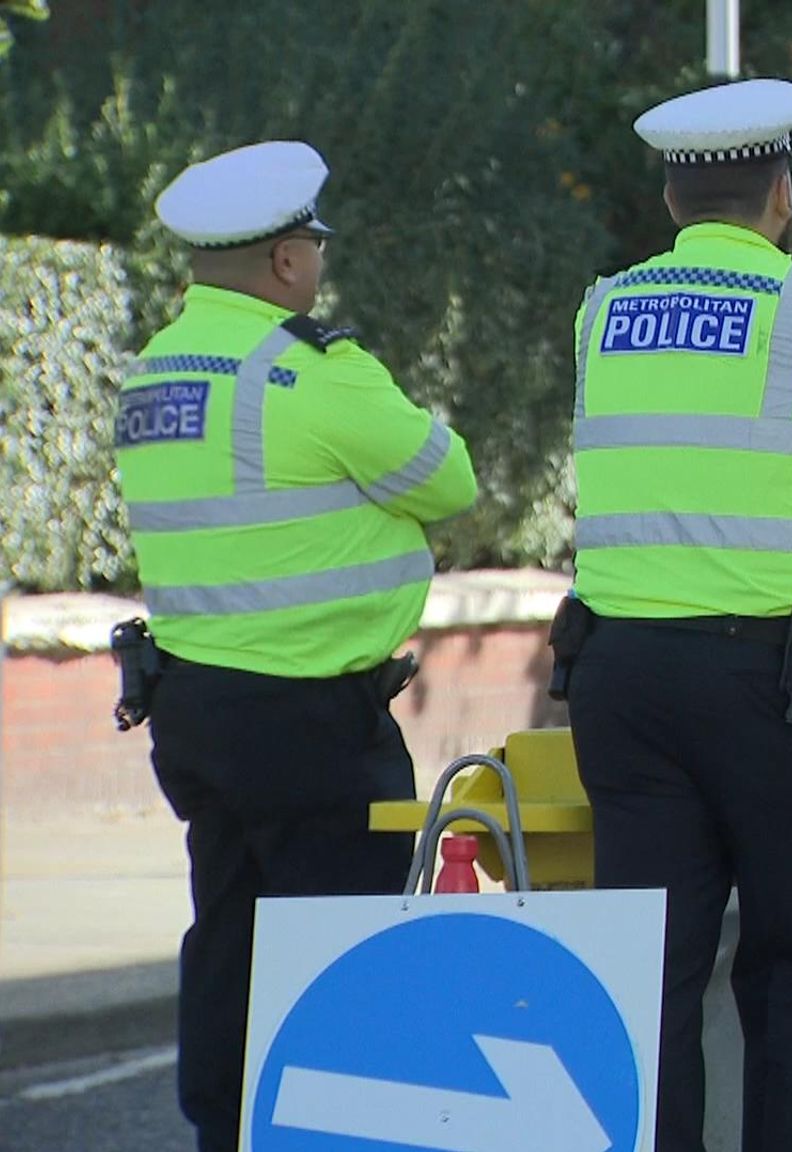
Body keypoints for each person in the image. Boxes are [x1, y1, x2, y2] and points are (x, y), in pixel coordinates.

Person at [556, 78, 792, 1152]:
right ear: (782, 192)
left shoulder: (603, 308)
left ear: (673, 199)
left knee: (648, 974)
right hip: (779, 688)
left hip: (621, 680)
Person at [113, 139, 478, 1152]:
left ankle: (222, 1135)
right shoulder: (313, 369)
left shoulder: (151, 377)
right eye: (312, 246)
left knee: (227, 939)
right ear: (284, 262)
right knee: (338, 966)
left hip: (193, 710)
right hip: (312, 720)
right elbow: (450, 484)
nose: (318, 263)